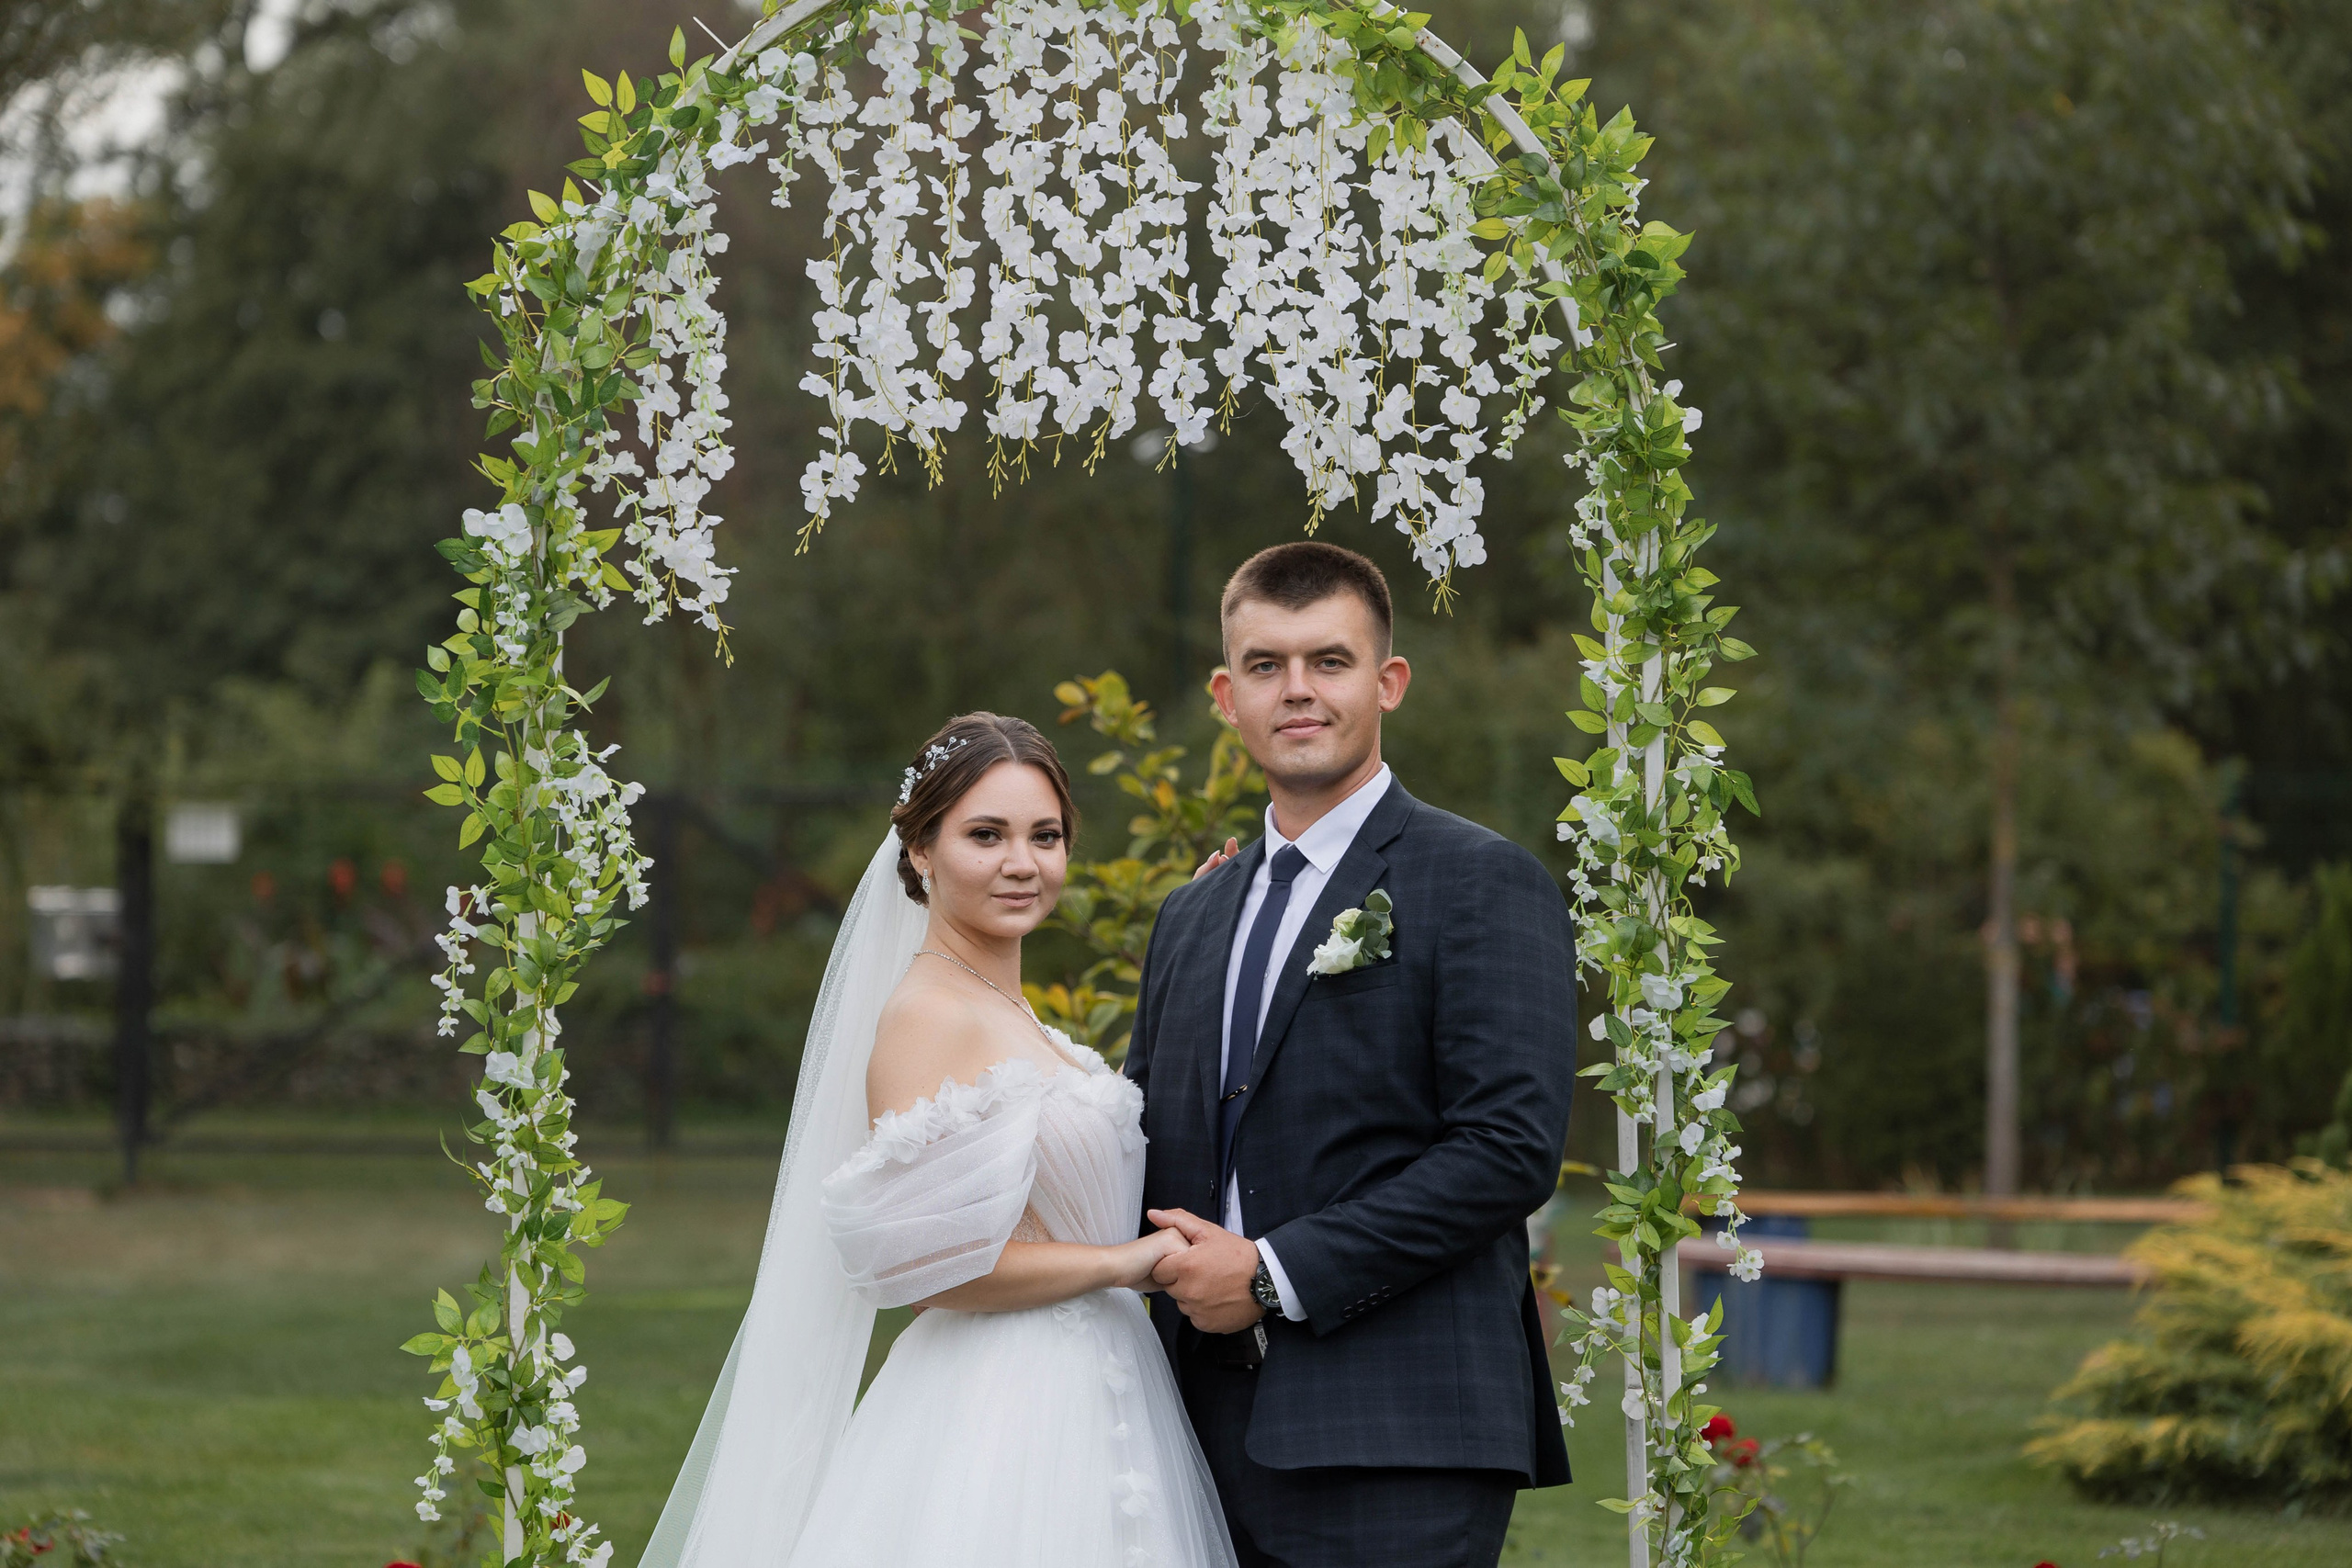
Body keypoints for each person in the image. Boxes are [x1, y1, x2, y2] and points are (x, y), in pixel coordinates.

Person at [637, 713, 1237, 1568]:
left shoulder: (1012, 1012)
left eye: (1046, 835)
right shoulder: (926, 1014)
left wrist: (1188, 946)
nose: (1022, 863)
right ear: (920, 850)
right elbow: (932, 1269)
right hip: (1001, 1408)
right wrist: (1122, 1262)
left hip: (1102, 1384)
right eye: (985, 835)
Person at [1127, 540, 1577, 1568]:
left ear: (1388, 683)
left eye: (1328, 662)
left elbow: (1506, 1150)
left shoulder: (1480, 882)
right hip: (1185, 1436)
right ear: (1223, 695)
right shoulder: (1194, 914)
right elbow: (1142, 1126)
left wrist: (1272, 1273)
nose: (1297, 691)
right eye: (1265, 665)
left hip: (1397, 1437)